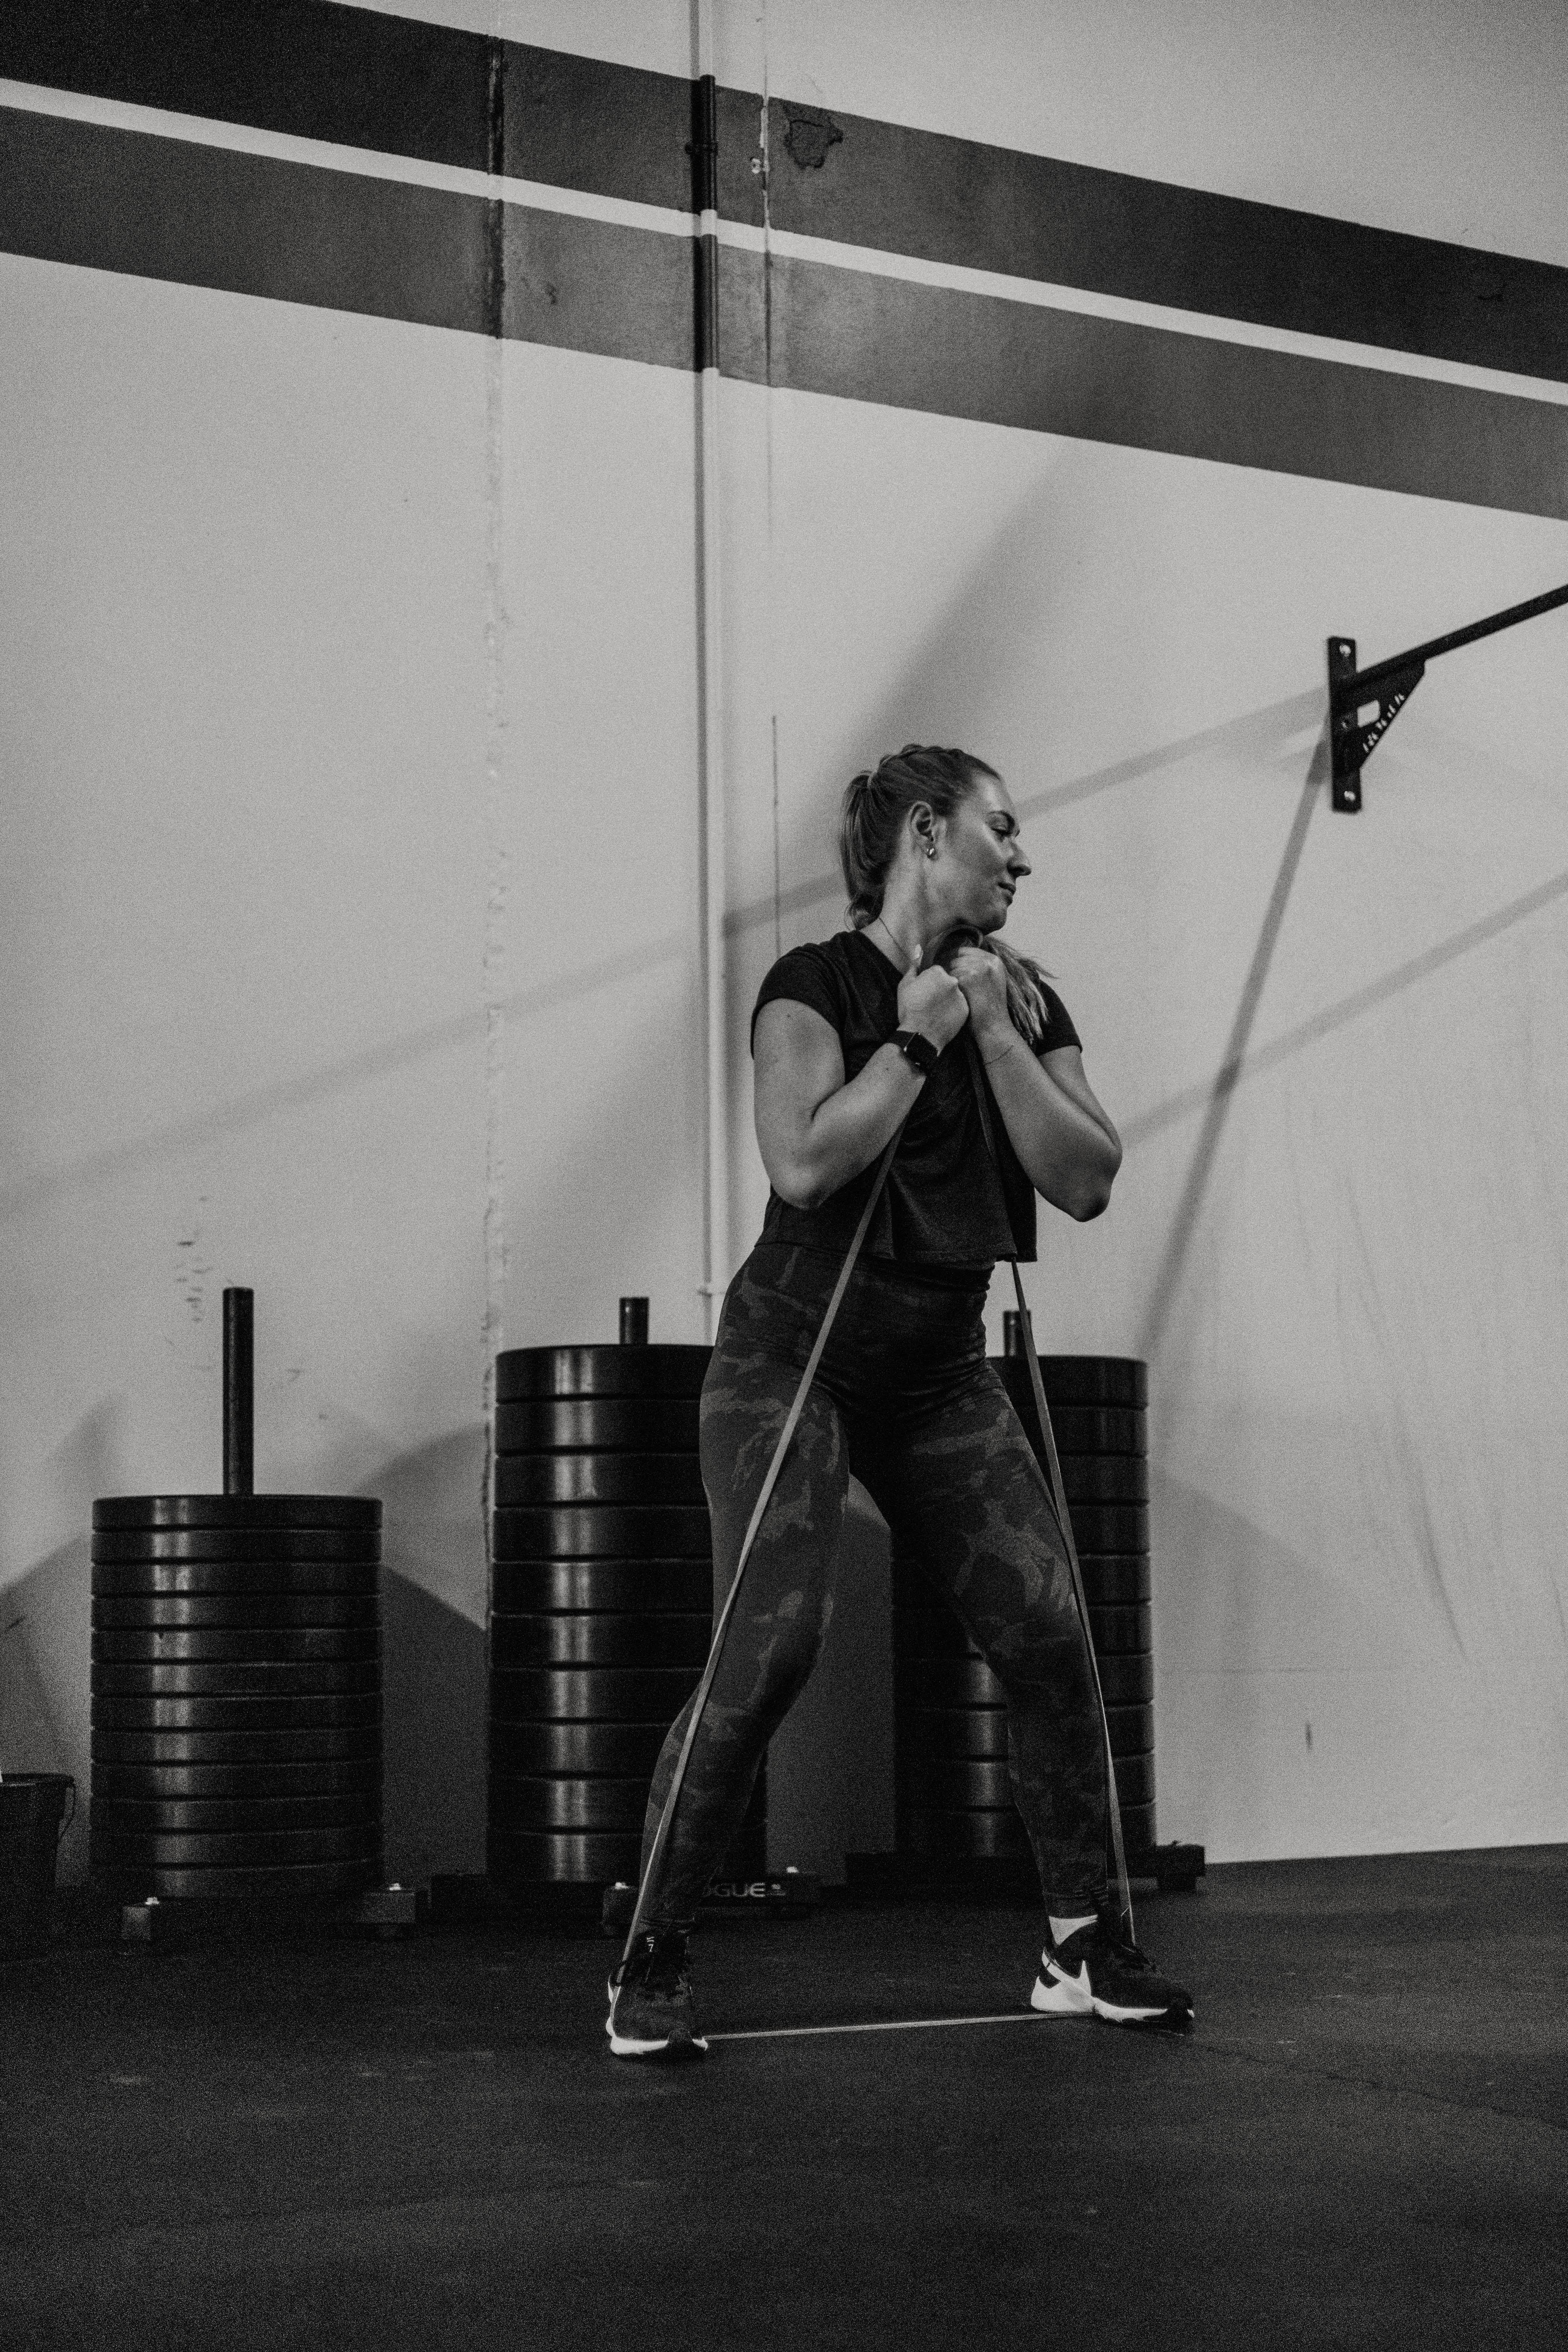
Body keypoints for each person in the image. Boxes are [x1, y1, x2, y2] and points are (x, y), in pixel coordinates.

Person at [607, 744, 1192, 2058]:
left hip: (936, 1374)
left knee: (1050, 1631)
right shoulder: (812, 986)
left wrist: (991, 1028)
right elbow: (805, 1164)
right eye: (1003, 827)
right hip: (791, 1357)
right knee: (770, 1650)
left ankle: (1083, 1943)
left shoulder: (1025, 1000)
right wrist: (919, 1036)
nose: (1023, 855)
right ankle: (650, 1951)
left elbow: (1088, 1177)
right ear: (927, 834)